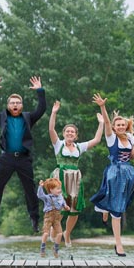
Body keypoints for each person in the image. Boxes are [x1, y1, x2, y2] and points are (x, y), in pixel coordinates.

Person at [0, 75, 47, 232]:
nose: (15, 105)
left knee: (30, 189)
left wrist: (40, 90)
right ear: (8, 106)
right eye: (12, 103)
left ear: (21, 105)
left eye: (18, 103)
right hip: (6, 158)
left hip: (24, 159)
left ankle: (34, 219)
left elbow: (42, 109)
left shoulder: (28, 117)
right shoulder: (2, 117)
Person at [89, 94, 134, 256]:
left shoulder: (131, 138)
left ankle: (106, 208)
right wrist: (102, 107)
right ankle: (119, 244)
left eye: (122, 124)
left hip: (128, 173)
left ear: (126, 126)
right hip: (114, 173)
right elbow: (106, 121)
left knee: (119, 204)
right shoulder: (110, 137)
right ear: (114, 127)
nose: (120, 126)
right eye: (117, 124)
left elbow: (131, 155)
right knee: (117, 209)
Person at [48, 100, 104, 247]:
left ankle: (67, 233)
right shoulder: (58, 144)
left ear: (76, 135)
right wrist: (54, 113)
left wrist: (101, 123)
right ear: (64, 134)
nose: (70, 133)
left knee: (75, 210)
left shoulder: (79, 147)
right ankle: (55, 233)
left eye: (72, 132)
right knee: (59, 208)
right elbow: (51, 130)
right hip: (60, 177)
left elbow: (97, 139)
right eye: (67, 131)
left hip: (75, 179)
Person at [37, 178, 70, 258]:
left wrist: (66, 207)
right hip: (48, 217)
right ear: (51, 190)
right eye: (57, 189)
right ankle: (42, 248)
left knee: (59, 233)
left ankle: (55, 248)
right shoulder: (48, 197)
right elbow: (40, 195)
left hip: (57, 219)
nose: (59, 190)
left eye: (60, 188)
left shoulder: (61, 197)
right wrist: (40, 187)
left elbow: (63, 204)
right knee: (45, 233)